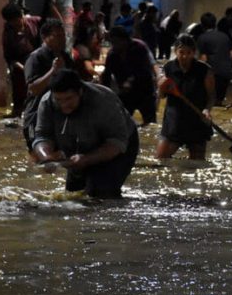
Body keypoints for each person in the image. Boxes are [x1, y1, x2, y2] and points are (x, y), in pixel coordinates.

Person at [33, 69, 139, 198]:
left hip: (118, 146)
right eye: (59, 100)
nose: (64, 105)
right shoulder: (47, 102)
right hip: (78, 147)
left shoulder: (104, 100)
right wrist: (46, 157)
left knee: (102, 192)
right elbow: (42, 136)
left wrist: (87, 159)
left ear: (80, 91)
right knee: (74, 196)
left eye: (69, 99)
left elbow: (116, 143)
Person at [156, 34, 215, 160]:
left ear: (194, 53)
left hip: (197, 120)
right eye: (181, 52)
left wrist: (207, 110)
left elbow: (211, 97)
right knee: (161, 160)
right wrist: (161, 87)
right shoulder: (168, 68)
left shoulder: (204, 70)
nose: (184, 56)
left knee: (196, 164)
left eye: (189, 53)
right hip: (173, 121)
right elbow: (161, 96)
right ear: (175, 51)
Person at [23, 18, 74, 152]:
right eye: (57, 36)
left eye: (63, 35)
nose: (62, 39)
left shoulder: (66, 57)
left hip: (61, 117)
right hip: (37, 117)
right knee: (39, 157)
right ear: (45, 37)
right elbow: (33, 89)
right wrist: (53, 71)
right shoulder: (36, 58)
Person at [100, 26, 159, 125]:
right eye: (112, 43)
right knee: (121, 123)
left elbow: (144, 70)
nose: (114, 45)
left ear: (125, 40)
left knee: (150, 124)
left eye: (116, 42)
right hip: (125, 94)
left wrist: (130, 80)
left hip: (144, 91)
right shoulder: (112, 55)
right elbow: (107, 75)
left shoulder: (140, 47)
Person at [1, 2, 42, 117]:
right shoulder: (8, 32)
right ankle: (18, 111)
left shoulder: (35, 22)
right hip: (20, 65)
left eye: (18, 19)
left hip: (37, 60)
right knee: (19, 88)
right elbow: (9, 56)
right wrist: (23, 68)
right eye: (12, 22)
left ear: (22, 15)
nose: (16, 23)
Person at [197, 12, 232, 106]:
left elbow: (203, 60)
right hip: (226, 73)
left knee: (207, 104)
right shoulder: (225, 36)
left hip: (213, 75)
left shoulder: (202, 38)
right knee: (218, 103)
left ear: (202, 25)